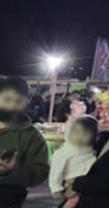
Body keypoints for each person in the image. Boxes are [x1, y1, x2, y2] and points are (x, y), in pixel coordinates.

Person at [0, 77, 50, 207]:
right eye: (7, 99)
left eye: (18, 101)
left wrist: (11, 171)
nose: (12, 106)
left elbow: (40, 171)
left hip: (8, 197)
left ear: (27, 101)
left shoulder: (32, 136)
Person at [49, 116, 98, 203]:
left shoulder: (92, 150)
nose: (80, 137)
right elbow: (56, 171)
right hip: (71, 185)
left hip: (88, 186)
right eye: (76, 133)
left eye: (85, 134)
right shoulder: (65, 152)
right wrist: (56, 188)